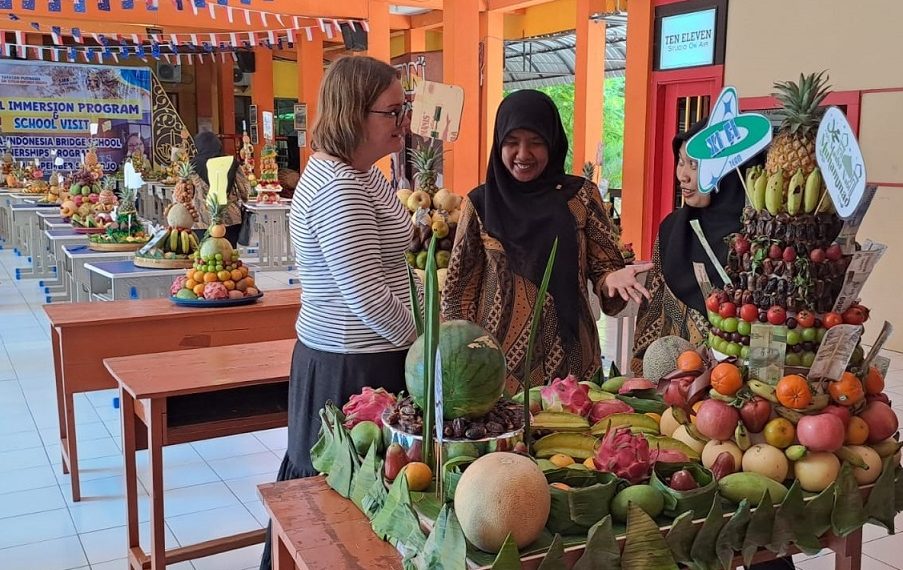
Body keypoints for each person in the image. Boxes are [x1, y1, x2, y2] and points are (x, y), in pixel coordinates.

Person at [259, 55, 416, 569]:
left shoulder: (364, 176)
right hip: (350, 363)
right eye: (393, 111)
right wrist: (427, 340)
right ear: (354, 114)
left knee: (365, 505)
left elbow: (391, 254)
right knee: (331, 509)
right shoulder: (338, 186)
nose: (403, 120)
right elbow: (367, 296)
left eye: (403, 107)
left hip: (370, 356)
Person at [441, 90, 651, 394]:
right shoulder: (481, 204)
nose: (523, 154)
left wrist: (611, 278)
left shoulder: (581, 197)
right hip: (496, 371)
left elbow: (604, 269)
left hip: (573, 365)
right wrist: (459, 360)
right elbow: (459, 292)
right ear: (499, 143)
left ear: (552, 144)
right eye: (512, 142)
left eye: (536, 142)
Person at [630, 120, 747, 376]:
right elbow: (653, 313)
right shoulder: (673, 229)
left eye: (694, 165)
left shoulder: (758, 241)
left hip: (740, 390)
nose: (682, 175)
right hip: (672, 387)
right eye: (681, 161)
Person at [189, 131, 250, 248]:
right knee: (228, 256)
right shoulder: (231, 162)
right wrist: (244, 199)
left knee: (204, 259)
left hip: (201, 220)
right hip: (230, 219)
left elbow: (184, 193)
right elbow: (244, 190)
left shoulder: (191, 165)